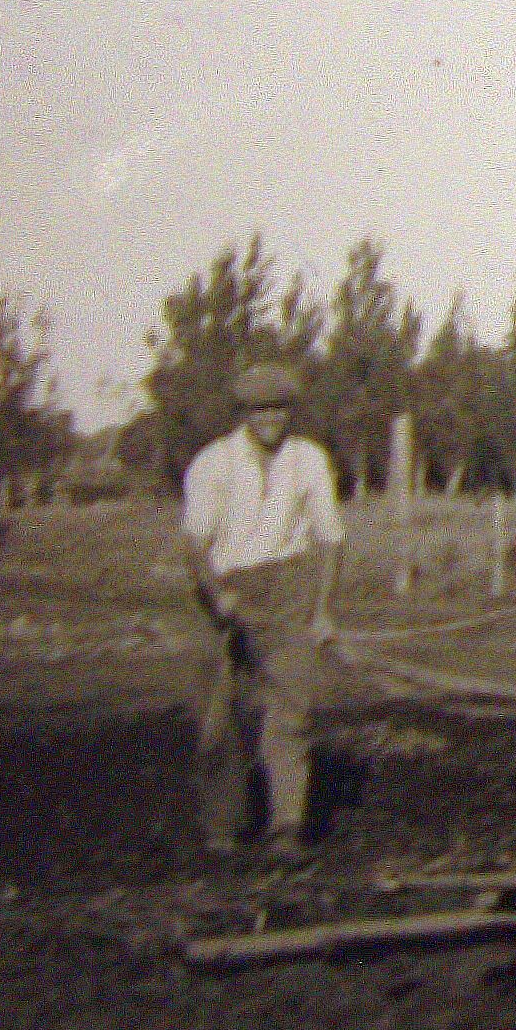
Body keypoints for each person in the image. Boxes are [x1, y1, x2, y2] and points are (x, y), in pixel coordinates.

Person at [182, 362, 345, 858]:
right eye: (260, 409)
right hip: (224, 585)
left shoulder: (309, 460)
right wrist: (219, 596)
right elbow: (193, 543)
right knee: (218, 713)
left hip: (289, 585)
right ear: (245, 412)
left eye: (279, 408)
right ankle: (222, 827)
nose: (271, 417)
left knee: (293, 708)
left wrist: (321, 612)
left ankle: (285, 827)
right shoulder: (212, 463)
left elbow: (330, 538)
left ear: (289, 411)